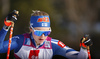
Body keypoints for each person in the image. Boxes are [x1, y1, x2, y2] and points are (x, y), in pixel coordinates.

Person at [0, 10, 92, 59]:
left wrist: (83, 48)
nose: (43, 36)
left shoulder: (53, 44)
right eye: (39, 32)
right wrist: (6, 26)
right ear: (31, 29)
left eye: (47, 32)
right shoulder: (20, 41)